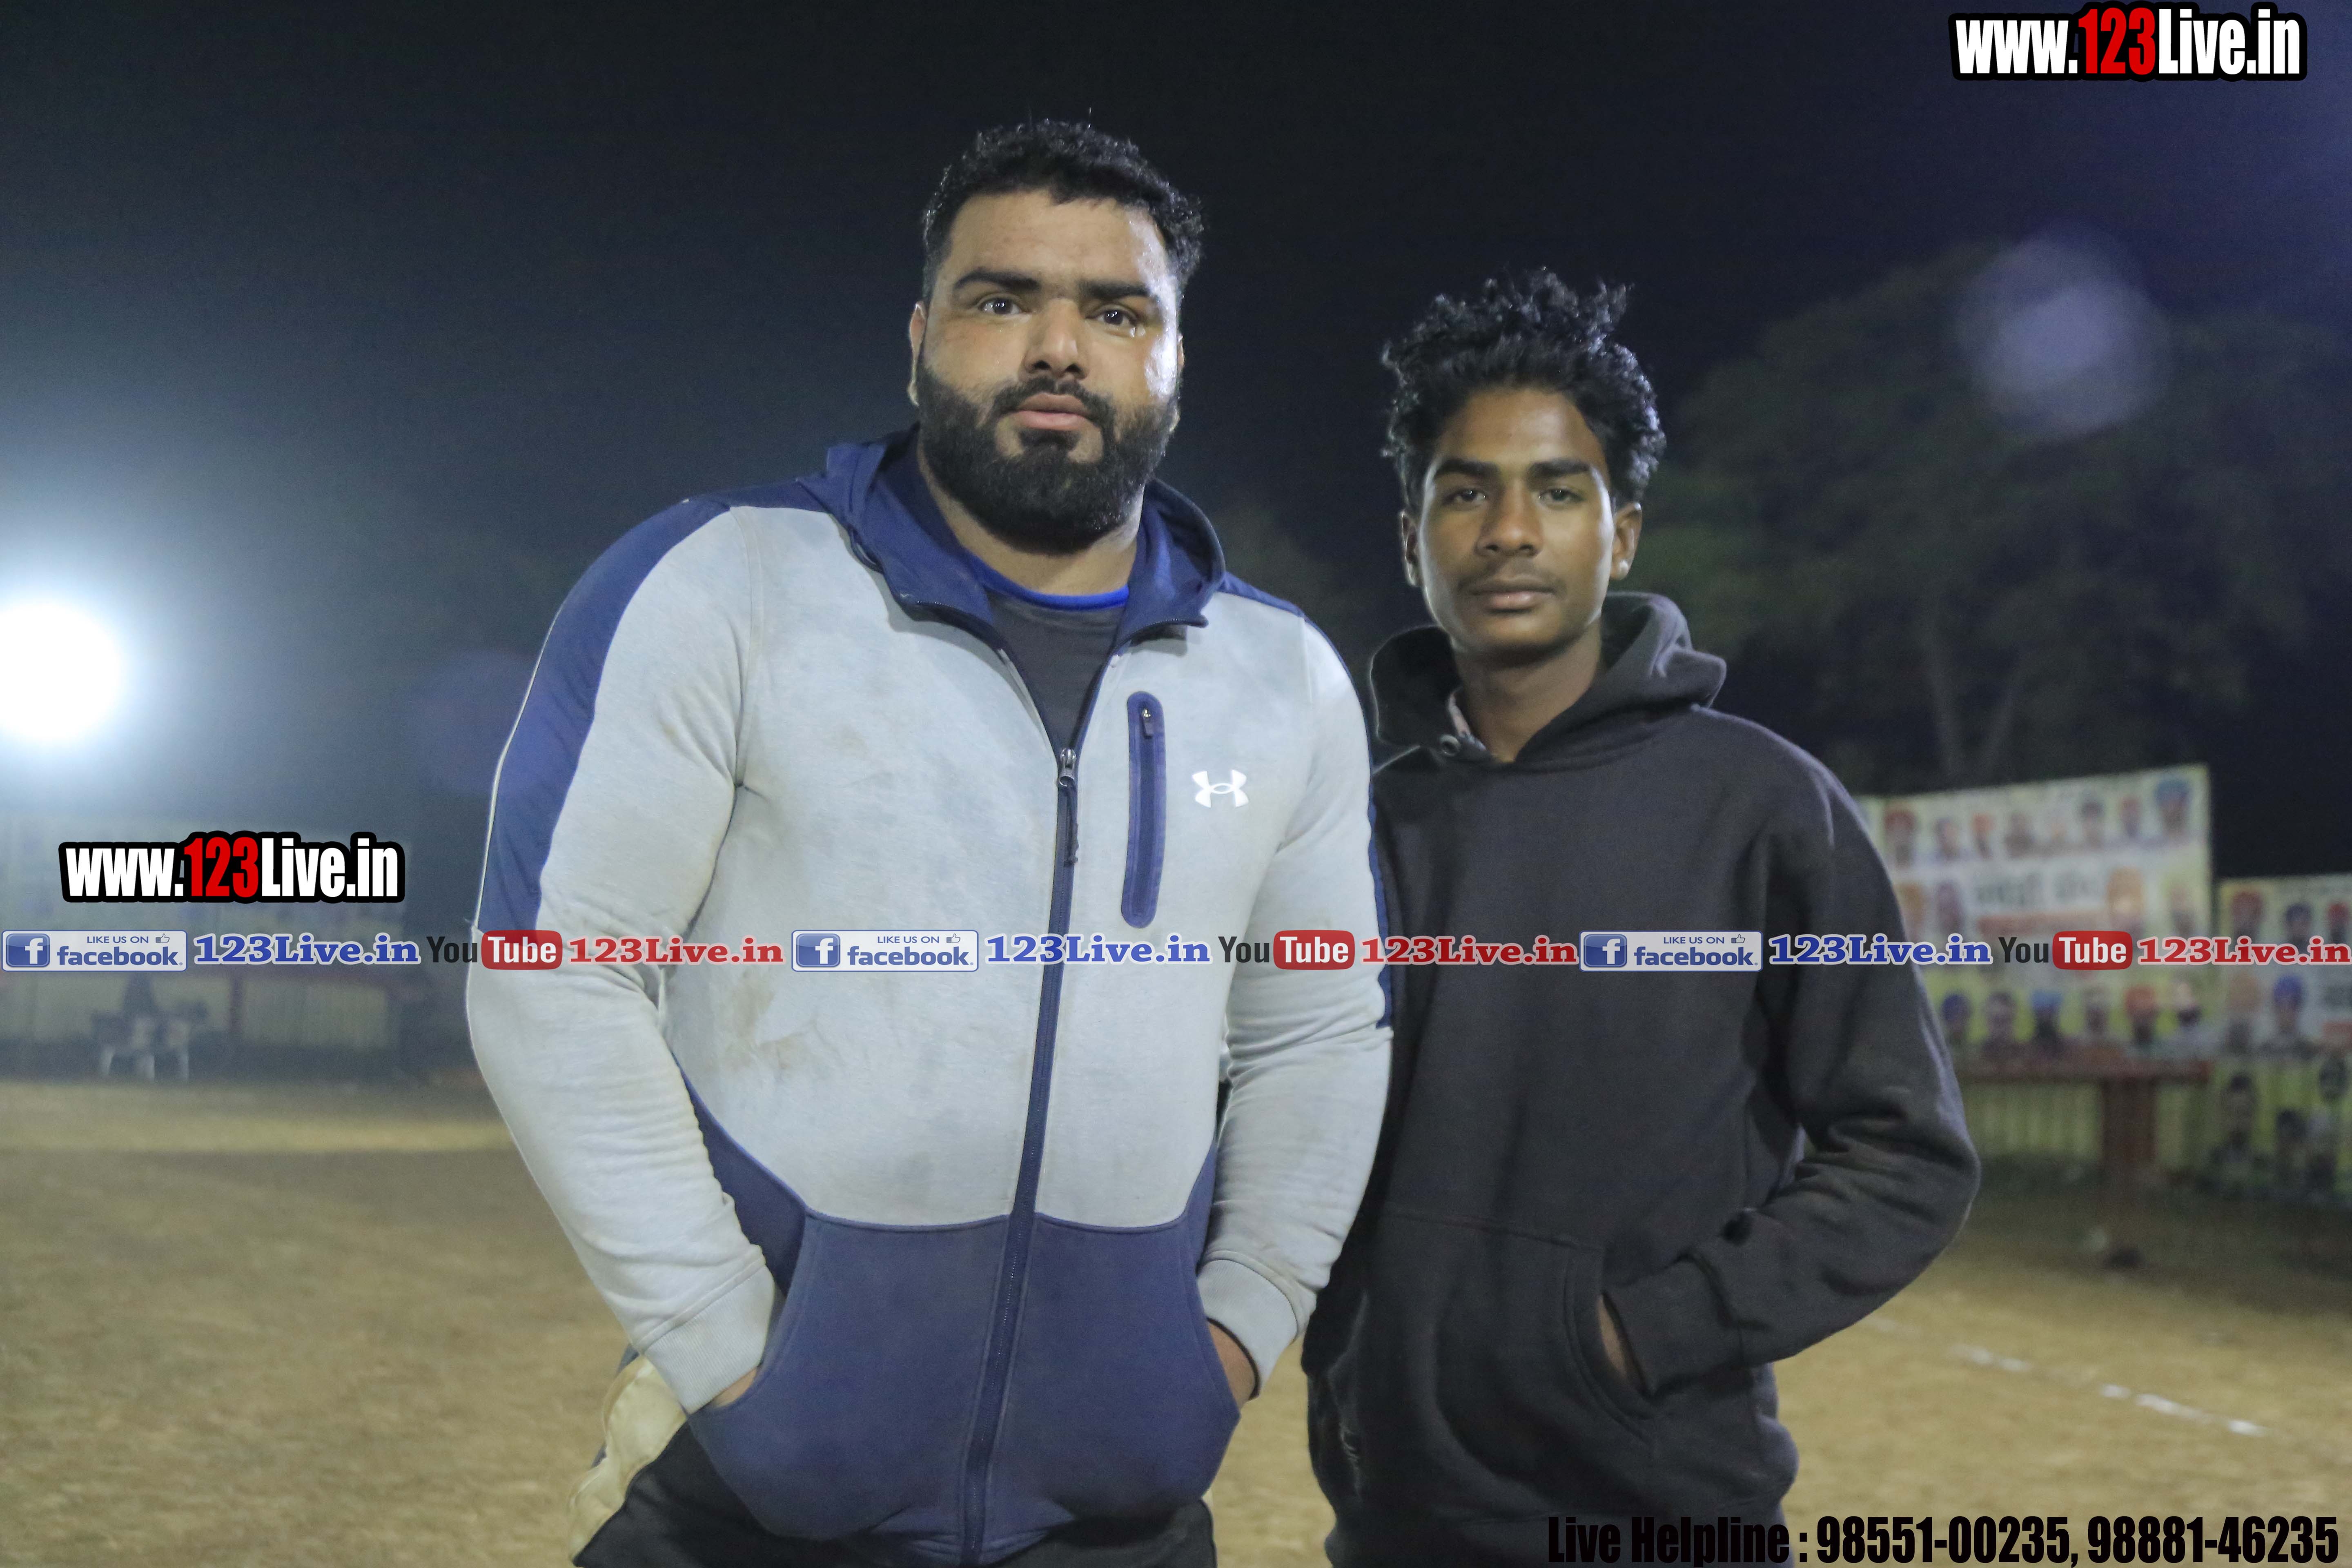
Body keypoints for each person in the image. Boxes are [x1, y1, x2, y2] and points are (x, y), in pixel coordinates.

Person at [469, 121, 1390, 1568]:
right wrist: (724, 1347)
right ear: (919, 340)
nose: (1059, 348)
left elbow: (1321, 1026)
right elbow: (557, 971)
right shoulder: (722, 584)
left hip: (1124, 1506)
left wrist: (1236, 1329)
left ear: (1173, 359)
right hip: (749, 1494)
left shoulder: (1286, 677)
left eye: (1116, 312)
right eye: (1003, 298)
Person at [1302, 273, 1979, 1564]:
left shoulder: (1765, 807)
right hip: (1395, 1516)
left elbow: (1907, 1156)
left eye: (1558, 492)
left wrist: (1634, 1338)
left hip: (1662, 1512)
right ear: (1410, 537)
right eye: (1466, 492)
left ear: (1620, 537)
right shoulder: (1345, 828)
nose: (1510, 531)